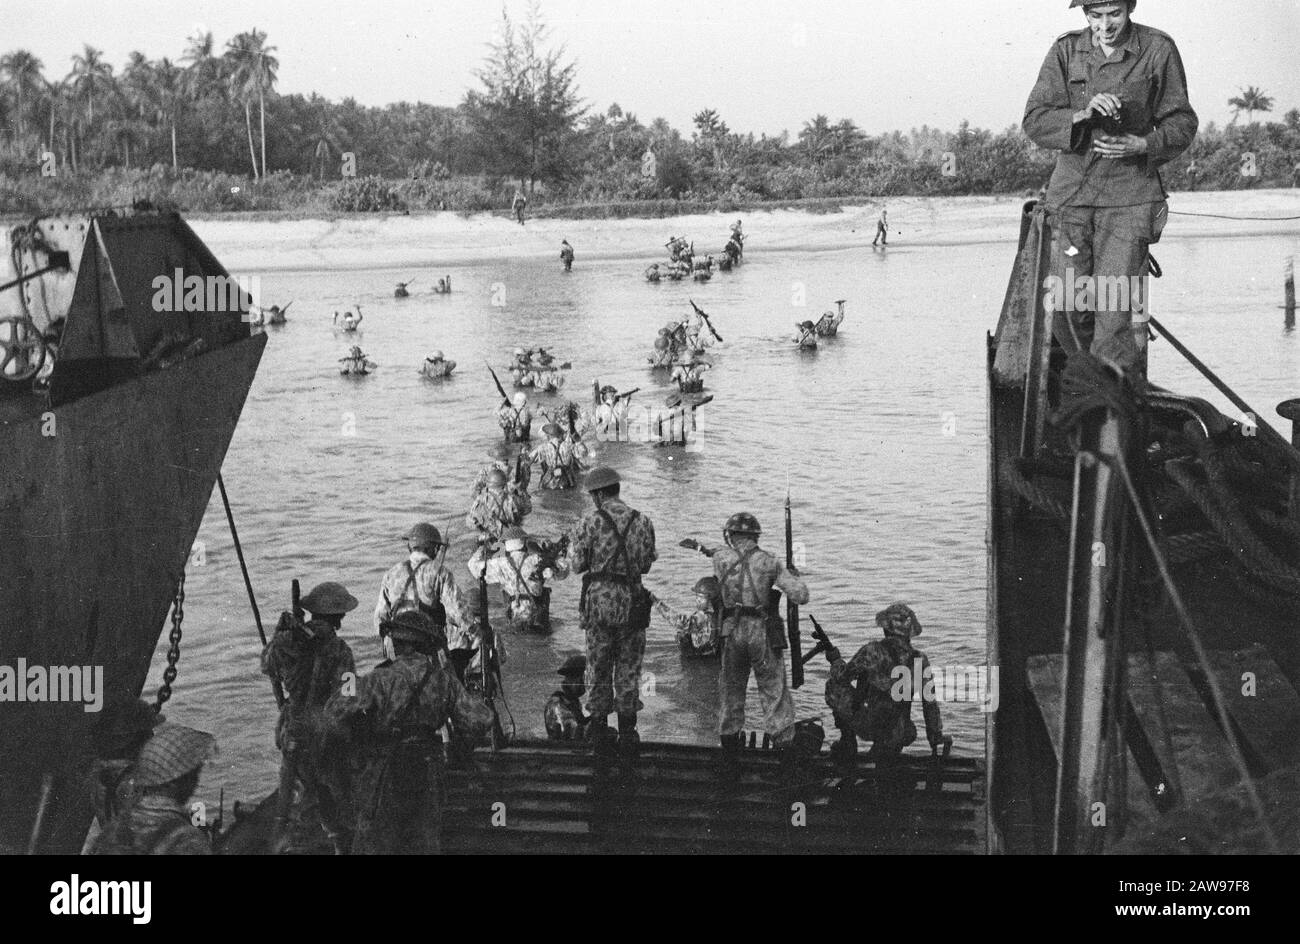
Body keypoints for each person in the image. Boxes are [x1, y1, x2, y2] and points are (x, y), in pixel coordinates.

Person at [1023, 0, 1197, 372]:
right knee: (1067, 306)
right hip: (1071, 198)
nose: (1106, 25)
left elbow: (1182, 122)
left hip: (1129, 200)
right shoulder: (1065, 51)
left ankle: (1109, 410)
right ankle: (1089, 386)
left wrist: (1143, 144)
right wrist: (1082, 114)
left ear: (1130, 8)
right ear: (1085, 15)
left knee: (1113, 312)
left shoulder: (1157, 48)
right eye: (1095, 16)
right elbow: (1035, 121)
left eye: (1114, 14)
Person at [325, 610, 494, 854]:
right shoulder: (444, 680)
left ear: (398, 643)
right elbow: (481, 719)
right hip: (428, 766)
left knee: (375, 840)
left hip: (386, 767)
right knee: (424, 841)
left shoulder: (379, 678)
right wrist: (462, 745)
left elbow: (334, 709)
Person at [566, 466, 657, 765]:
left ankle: (600, 732)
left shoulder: (589, 522)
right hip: (633, 604)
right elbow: (644, 565)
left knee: (599, 666)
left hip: (599, 606)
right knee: (629, 667)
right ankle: (629, 733)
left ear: (599, 494)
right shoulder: (643, 521)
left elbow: (577, 565)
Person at [262, 581, 359, 854]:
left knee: (293, 795)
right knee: (336, 799)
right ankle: (341, 845)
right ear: (338, 617)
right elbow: (348, 695)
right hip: (325, 731)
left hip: (292, 729)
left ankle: (290, 844)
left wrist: (279, 634)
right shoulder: (339, 650)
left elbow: (266, 665)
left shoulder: (288, 641)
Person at [712, 512, 809, 779]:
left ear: (731, 535)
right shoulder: (769, 561)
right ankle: (787, 766)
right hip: (762, 631)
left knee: (731, 694)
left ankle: (730, 764)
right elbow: (801, 596)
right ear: (755, 536)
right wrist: (792, 575)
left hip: (731, 631)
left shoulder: (720, 559)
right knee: (774, 694)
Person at [822, 603, 945, 767]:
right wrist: (935, 738)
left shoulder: (872, 651)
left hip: (871, 726)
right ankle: (888, 748)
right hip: (902, 731)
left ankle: (848, 740)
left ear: (886, 629)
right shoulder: (920, 659)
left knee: (833, 686)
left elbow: (843, 677)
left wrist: (836, 661)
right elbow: (930, 705)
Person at [89, 723, 215, 855]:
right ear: (179, 780)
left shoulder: (111, 830)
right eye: (194, 775)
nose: (195, 784)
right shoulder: (186, 838)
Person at [375, 523, 476, 682]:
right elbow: (457, 612)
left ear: (411, 546)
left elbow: (380, 617)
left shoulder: (391, 573)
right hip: (428, 643)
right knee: (445, 686)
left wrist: (387, 642)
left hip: (397, 643)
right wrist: (475, 632)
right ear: (432, 549)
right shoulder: (439, 571)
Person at [82, 698, 165, 854]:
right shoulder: (136, 782)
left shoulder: (98, 774)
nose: (153, 737)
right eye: (149, 732)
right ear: (138, 738)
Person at [468, 525, 568, 633]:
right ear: (524, 543)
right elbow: (564, 571)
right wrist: (554, 556)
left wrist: (481, 546)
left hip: (515, 621)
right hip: (538, 622)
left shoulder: (500, 564)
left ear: (505, 544)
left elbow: (473, 566)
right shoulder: (537, 560)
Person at [653, 576, 722, 658]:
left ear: (711, 599)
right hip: (710, 655)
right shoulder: (718, 614)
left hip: (696, 657)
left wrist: (657, 603)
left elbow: (678, 621)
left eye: (701, 597)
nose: (698, 600)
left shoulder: (701, 617)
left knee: (682, 633)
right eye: (697, 596)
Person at [467, 462, 532, 543]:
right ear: (504, 484)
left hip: (490, 538)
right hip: (511, 536)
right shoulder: (512, 498)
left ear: (488, 484)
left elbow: (471, 522)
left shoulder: (480, 500)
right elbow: (527, 509)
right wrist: (521, 490)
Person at [544, 654, 590, 740]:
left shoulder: (572, 701)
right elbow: (570, 728)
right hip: (562, 750)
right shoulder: (557, 702)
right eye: (585, 679)